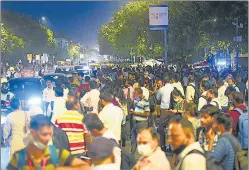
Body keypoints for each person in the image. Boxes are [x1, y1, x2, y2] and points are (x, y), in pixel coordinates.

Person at [7, 114, 91, 170]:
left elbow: (85, 167)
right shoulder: (19, 157)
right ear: (32, 134)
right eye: (44, 134)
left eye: (50, 134)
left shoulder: (58, 154)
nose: (48, 138)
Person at [130, 88, 150, 154]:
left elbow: (147, 114)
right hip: (135, 123)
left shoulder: (146, 102)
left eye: (135, 94)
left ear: (139, 94)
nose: (134, 95)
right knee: (133, 141)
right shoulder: (136, 100)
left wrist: (136, 113)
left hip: (142, 124)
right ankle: (131, 156)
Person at [157, 76, 174, 151]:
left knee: (161, 128)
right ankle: (171, 146)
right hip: (172, 110)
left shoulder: (162, 89)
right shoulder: (173, 88)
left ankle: (163, 145)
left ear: (163, 82)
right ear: (170, 81)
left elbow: (158, 98)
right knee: (171, 128)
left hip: (164, 110)